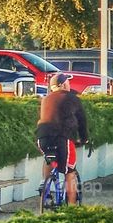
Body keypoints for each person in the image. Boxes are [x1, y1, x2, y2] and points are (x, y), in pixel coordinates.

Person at [36, 73, 89, 205]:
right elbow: (82, 121)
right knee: (69, 172)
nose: (69, 84)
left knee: (48, 158)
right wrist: (84, 139)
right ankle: (71, 209)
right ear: (64, 84)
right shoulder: (72, 98)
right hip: (62, 138)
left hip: (42, 138)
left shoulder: (45, 99)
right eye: (68, 82)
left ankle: (45, 184)